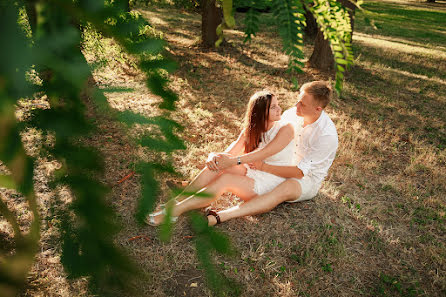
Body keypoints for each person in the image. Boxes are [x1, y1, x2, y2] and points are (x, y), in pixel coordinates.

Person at [146, 90, 295, 226]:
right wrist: (214, 156)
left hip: (271, 180)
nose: (279, 109)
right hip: (253, 171)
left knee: (225, 179)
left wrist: (233, 161)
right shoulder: (252, 129)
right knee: (218, 163)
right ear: (261, 112)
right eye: (273, 107)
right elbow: (227, 155)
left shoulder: (285, 129)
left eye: (278, 105)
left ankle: (175, 210)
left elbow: (264, 153)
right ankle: (177, 201)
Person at [208, 80, 338, 226]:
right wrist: (225, 154)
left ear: (318, 109)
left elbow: (300, 172)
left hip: (306, 178)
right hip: (278, 163)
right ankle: (200, 188)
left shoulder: (327, 136)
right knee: (234, 162)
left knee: (286, 188)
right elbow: (264, 134)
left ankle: (221, 216)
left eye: (302, 104)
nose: (296, 106)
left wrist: (263, 167)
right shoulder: (293, 114)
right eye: (298, 101)